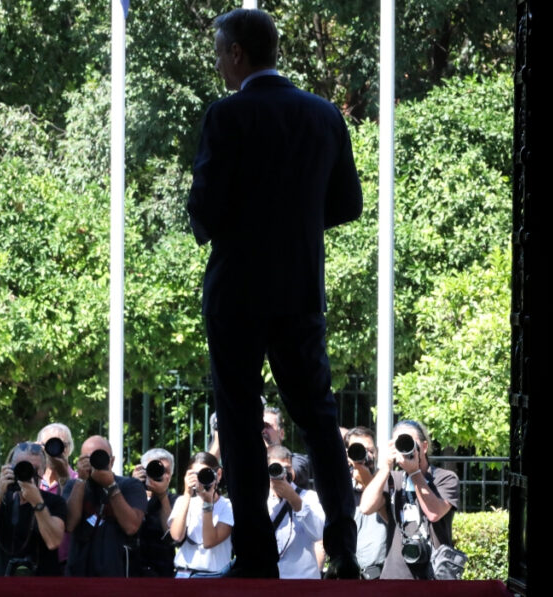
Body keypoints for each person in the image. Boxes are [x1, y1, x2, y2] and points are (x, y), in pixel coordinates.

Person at [185, 7, 363, 579]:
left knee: (238, 421)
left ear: (237, 53)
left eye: (219, 52)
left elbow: (204, 208)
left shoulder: (227, 116)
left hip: (237, 290)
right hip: (299, 289)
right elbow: (348, 204)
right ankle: (343, 549)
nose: (218, 62)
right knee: (317, 417)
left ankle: (255, 558)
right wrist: (297, 225)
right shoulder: (323, 115)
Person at [360, 420, 460, 580]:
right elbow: (366, 507)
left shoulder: (444, 478)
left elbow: (434, 514)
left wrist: (415, 473)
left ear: (425, 447)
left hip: (434, 573)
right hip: (395, 574)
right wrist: (385, 467)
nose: (405, 449)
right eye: (400, 444)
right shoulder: (393, 478)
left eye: (410, 443)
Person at [0, 442, 68, 576]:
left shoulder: (54, 502)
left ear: (43, 471)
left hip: (41, 582)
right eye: (21, 467)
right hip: (2, 580)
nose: (26, 473)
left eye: (34, 468)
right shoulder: (3, 500)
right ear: (10, 468)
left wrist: (37, 503)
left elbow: (53, 542)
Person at [63, 435, 147, 577]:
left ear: (112, 460)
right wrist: (80, 480)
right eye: (88, 458)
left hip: (116, 574)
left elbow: (131, 527)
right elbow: (70, 524)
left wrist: (111, 486)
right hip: (78, 573)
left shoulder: (130, 486)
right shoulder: (74, 486)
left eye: (100, 456)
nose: (95, 462)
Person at [168, 452, 233, 577]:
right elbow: (176, 536)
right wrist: (187, 493)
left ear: (218, 475)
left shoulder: (228, 506)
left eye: (205, 474)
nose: (201, 479)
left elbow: (209, 542)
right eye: (196, 475)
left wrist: (208, 503)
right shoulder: (184, 502)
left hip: (214, 576)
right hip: (184, 574)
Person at [266, 445, 325, 579]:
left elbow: (319, 533)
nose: (282, 474)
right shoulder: (260, 502)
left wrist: (295, 500)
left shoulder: (309, 497)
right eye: (276, 469)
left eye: (286, 469)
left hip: (303, 581)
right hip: (271, 581)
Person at [344, 426, 390, 579]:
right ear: (347, 453)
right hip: (348, 574)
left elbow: (392, 518)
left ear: (376, 452)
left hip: (381, 574)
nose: (364, 456)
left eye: (369, 450)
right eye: (357, 450)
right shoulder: (339, 487)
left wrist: (368, 482)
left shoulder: (387, 481)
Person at [131, 448, 180, 577]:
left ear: (171, 475)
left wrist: (162, 496)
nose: (161, 473)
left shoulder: (175, 501)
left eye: (166, 470)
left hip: (162, 572)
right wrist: (133, 485)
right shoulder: (130, 494)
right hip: (131, 569)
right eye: (155, 468)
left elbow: (172, 536)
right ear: (143, 471)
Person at [35, 422, 78, 573]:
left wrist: (65, 479)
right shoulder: (32, 480)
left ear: (69, 449)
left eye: (61, 445)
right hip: (36, 562)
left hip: (66, 563)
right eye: (49, 445)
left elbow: (72, 519)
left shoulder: (78, 481)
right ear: (40, 447)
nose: (55, 450)